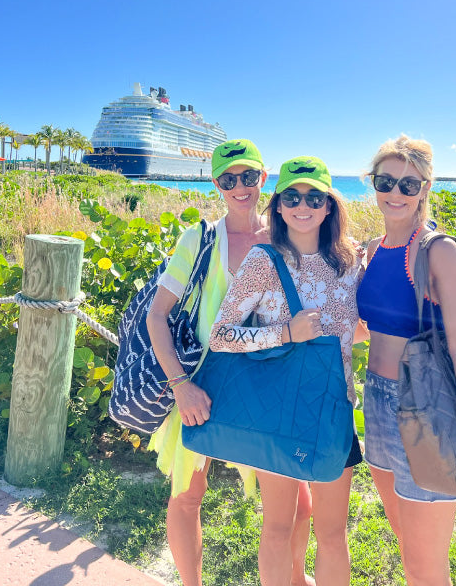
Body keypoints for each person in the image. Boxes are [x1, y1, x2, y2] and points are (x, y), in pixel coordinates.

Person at [146, 139, 314, 586]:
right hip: (204, 382)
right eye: (227, 178)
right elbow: (156, 315)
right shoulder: (199, 239)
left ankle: (295, 579)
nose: (239, 187)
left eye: (248, 176)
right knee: (188, 494)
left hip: (270, 386)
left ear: (263, 178)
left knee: (299, 501)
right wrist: (180, 385)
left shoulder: (288, 236)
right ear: (216, 183)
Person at [209, 156, 367, 586]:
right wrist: (285, 333)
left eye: (314, 196)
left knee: (333, 533)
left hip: (334, 410)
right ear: (277, 206)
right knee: (278, 527)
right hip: (278, 412)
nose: (303, 205)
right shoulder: (264, 259)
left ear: (330, 205)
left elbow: (351, 331)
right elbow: (221, 336)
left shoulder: (351, 261)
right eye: (292, 196)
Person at [356, 135, 456, 585]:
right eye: (386, 181)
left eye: (409, 184)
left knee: (425, 569)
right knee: (406, 539)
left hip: (427, 409)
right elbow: (374, 327)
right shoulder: (372, 250)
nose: (395, 193)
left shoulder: (438, 251)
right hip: (376, 405)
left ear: (425, 188)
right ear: (373, 183)